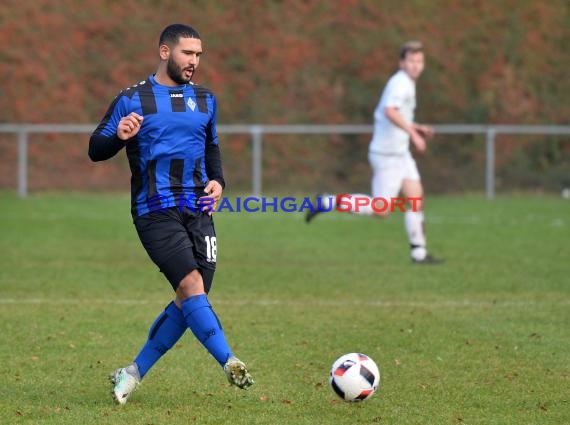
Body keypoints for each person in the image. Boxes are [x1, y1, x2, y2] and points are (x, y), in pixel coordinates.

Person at [89, 23, 254, 405]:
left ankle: (131, 373)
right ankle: (230, 361)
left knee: (192, 296)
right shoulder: (132, 99)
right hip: (154, 209)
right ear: (165, 52)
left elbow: (211, 146)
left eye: (198, 55)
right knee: (192, 285)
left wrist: (219, 181)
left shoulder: (206, 99)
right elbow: (95, 149)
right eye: (187, 53)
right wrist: (119, 137)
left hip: (199, 210)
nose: (194, 61)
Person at [306, 41, 443, 264]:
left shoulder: (406, 83)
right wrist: (414, 134)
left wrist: (416, 127)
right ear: (402, 63)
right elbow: (390, 112)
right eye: (411, 61)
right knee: (381, 209)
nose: (416, 65)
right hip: (387, 155)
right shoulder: (401, 84)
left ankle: (419, 253)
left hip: (400, 154)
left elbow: (393, 114)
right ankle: (327, 202)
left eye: (419, 61)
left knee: (416, 198)